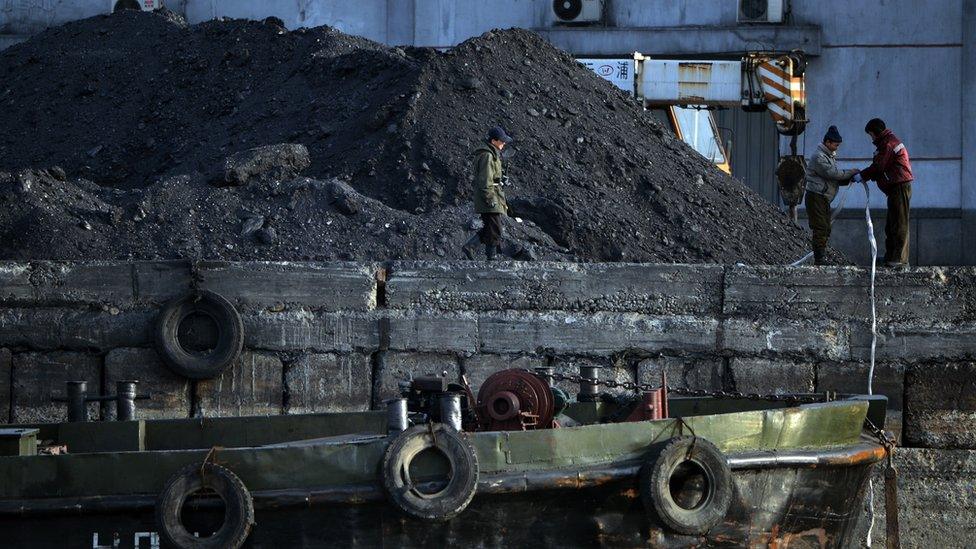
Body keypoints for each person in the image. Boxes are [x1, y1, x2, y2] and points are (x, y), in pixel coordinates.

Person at [859, 118, 914, 267]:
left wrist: (862, 175)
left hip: (899, 185)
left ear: (875, 133)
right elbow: (879, 167)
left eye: (870, 135)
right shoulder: (887, 142)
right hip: (895, 186)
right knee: (891, 224)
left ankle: (899, 259)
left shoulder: (888, 144)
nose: (871, 138)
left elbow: (879, 167)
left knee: (899, 223)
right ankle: (891, 256)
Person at [804, 125, 859, 265]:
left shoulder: (827, 156)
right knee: (821, 227)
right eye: (836, 144)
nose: (837, 147)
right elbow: (831, 174)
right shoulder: (819, 157)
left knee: (825, 228)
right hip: (817, 196)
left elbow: (830, 179)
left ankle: (820, 257)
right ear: (827, 142)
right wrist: (850, 172)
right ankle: (819, 259)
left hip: (822, 198)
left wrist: (847, 179)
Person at [466, 126, 512, 260]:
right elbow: (485, 180)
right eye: (502, 141)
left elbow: (492, 177)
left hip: (494, 195)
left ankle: (471, 247)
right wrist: (490, 198)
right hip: (490, 197)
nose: (504, 143)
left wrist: (501, 180)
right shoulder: (487, 155)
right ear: (493, 141)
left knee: (490, 227)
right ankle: (491, 258)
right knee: (495, 228)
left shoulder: (492, 154)